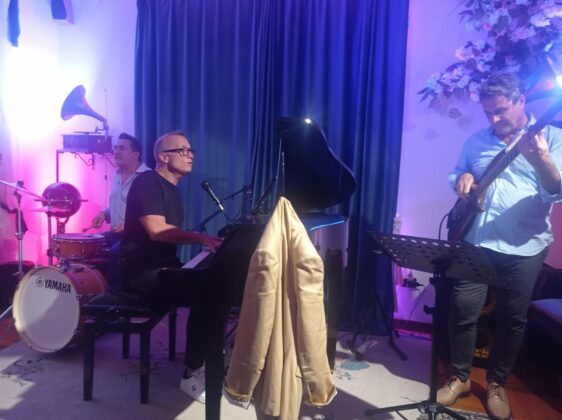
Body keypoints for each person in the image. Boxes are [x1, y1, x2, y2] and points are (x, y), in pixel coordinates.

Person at [440, 72, 562, 419]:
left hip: (525, 247)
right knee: (462, 310)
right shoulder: (477, 140)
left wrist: (542, 159)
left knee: (512, 320)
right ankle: (460, 377)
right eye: (488, 113)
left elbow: (557, 190)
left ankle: (497, 383)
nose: (494, 120)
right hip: (476, 242)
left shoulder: (553, 138)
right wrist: (461, 178)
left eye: (501, 111)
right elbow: (458, 171)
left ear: (521, 101)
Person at [119, 130, 222, 404]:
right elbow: (157, 231)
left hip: (163, 267)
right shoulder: (147, 181)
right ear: (164, 157)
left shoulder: (172, 190)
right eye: (183, 150)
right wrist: (202, 238)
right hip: (140, 273)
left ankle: (208, 354)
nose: (190, 155)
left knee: (214, 282)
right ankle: (192, 373)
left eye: (191, 151)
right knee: (207, 292)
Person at [90, 132, 150, 248]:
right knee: (90, 246)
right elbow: (121, 203)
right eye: (116, 148)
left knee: (114, 253)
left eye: (122, 148)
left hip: (138, 237)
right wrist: (104, 213)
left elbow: (152, 213)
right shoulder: (116, 174)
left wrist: (131, 225)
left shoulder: (147, 176)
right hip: (116, 234)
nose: (116, 152)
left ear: (135, 154)